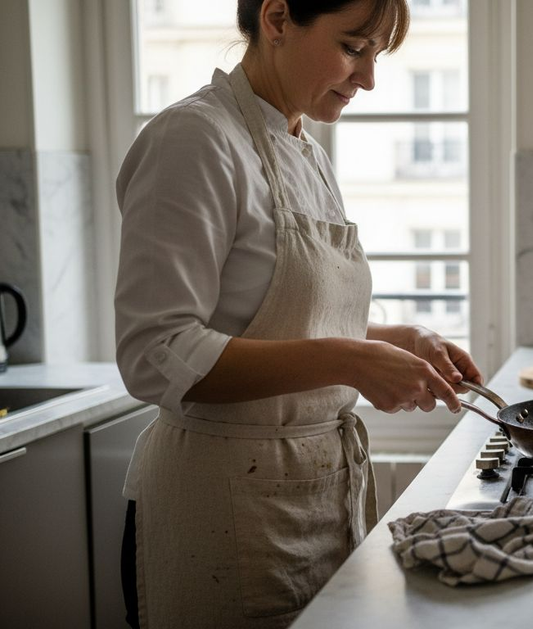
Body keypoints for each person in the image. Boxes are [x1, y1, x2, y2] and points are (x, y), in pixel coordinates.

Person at [113, 0, 482, 626]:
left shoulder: (303, 146)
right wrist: (351, 360)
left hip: (315, 501)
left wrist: (399, 340)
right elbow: (156, 355)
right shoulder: (194, 140)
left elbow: (274, 317)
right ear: (278, 19)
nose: (368, 79)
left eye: (375, 55)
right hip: (222, 509)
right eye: (353, 48)